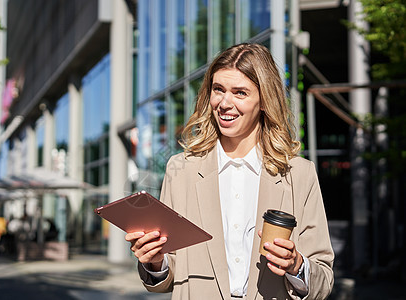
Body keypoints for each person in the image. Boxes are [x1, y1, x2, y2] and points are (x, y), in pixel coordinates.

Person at [125, 43, 334, 299]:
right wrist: (155, 261)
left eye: (240, 93)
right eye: (218, 90)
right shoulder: (181, 170)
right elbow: (169, 272)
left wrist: (296, 265)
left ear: (265, 101)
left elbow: (323, 279)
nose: (224, 103)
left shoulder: (298, 174)